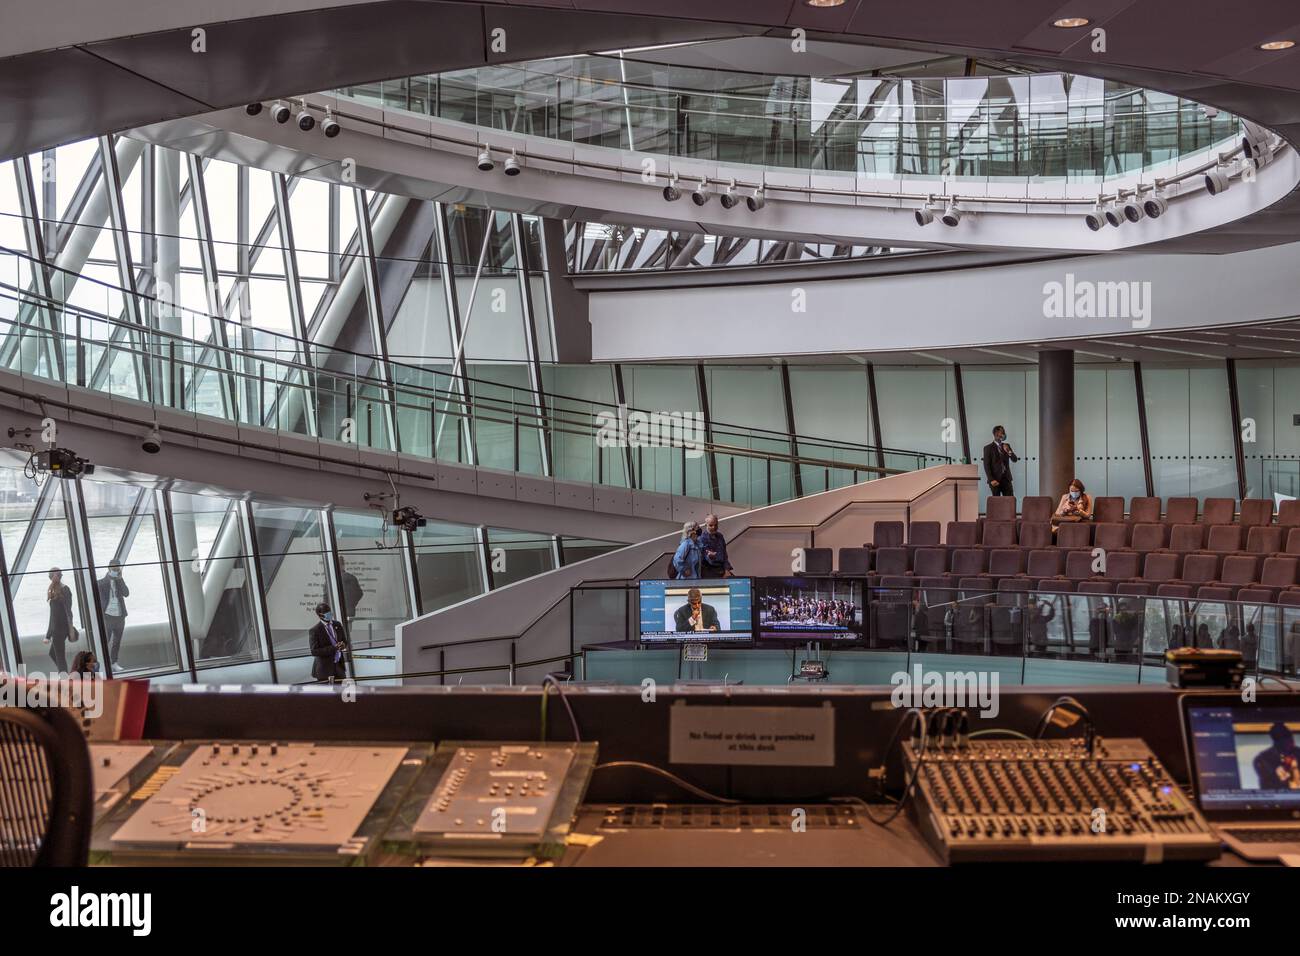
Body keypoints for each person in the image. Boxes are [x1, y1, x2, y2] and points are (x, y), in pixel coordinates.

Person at [97, 559, 130, 667]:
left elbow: (126, 593)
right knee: (105, 641)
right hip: (108, 617)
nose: (115, 570)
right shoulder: (101, 583)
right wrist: (110, 577)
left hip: (120, 616)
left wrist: (120, 579)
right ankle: (102, 663)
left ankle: (114, 662)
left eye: (117, 568)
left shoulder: (119, 581)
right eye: (113, 568)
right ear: (109, 568)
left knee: (117, 642)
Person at [43, 568, 76, 674]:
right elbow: (59, 614)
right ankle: (65, 674)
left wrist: (48, 635)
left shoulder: (62, 590)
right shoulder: (58, 590)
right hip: (62, 628)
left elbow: (55, 617)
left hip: (59, 630)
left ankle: (65, 678)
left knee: (60, 657)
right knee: (53, 653)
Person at [308, 601, 348, 683]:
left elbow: (344, 641)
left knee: (341, 692)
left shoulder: (337, 624)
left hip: (339, 666)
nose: (329, 615)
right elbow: (314, 651)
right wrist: (333, 648)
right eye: (326, 613)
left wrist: (343, 645)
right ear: (320, 615)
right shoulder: (315, 630)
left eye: (329, 612)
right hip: (324, 670)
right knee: (329, 695)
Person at [1253, 721, 1300, 790]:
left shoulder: (1298, 753)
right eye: (1284, 738)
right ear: (1276, 741)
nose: (1290, 742)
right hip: (1275, 798)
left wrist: (1295, 769)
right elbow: (1270, 782)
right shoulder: (1262, 759)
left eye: (1289, 737)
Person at [981, 425, 1019, 497]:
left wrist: (1008, 451)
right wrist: (991, 479)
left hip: (1006, 479)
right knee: (997, 503)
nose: (1004, 434)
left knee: (1009, 501)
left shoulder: (1007, 445)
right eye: (1002, 432)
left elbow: (1015, 459)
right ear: (996, 433)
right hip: (995, 480)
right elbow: (986, 465)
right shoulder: (988, 448)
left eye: (1004, 432)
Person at [698, 514, 733, 579]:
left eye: (715, 525)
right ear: (706, 525)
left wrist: (727, 570)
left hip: (721, 569)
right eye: (711, 525)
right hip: (708, 571)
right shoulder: (702, 539)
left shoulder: (720, 536)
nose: (714, 527)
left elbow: (724, 555)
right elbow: (707, 558)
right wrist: (712, 557)